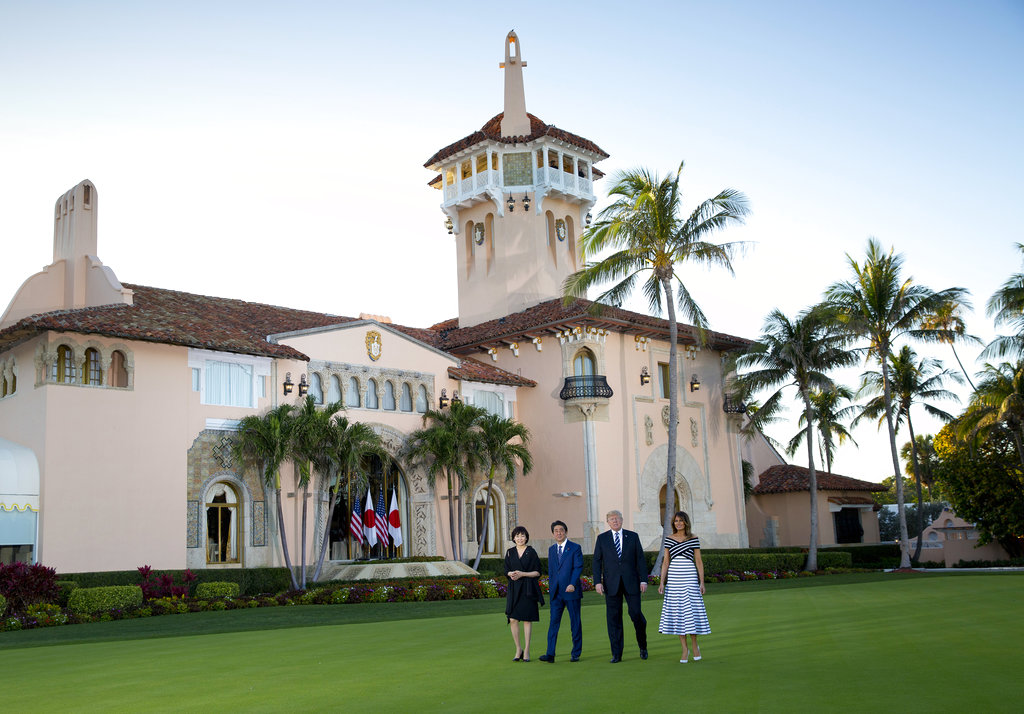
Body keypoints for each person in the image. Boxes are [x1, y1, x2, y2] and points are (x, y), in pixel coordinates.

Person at [593, 509, 648, 663]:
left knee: (636, 614)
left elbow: (640, 560)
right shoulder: (602, 539)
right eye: (611, 519)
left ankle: (643, 646)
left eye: (617, 518)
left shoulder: (632, 536)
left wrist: (643, 580)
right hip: (611, 584)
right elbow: (597, 561)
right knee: (613, 619)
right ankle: (616, 653)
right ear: (608, 522)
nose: (615, 521)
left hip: (632, 583)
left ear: (622, 520)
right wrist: (597, 582)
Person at [658, 510, 710, 663]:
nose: (678, 523)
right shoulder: (669, 539)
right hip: (674, 579)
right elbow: (666, 562)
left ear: (686, 522)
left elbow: (698, 561)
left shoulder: (693, 539)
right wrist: (662, 582)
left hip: (689, 578)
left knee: (691, 612)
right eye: (676, 521)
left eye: (681, 520)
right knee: (679, 614)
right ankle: (684, 649)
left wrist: (702, 582)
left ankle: (695, 645)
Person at [538, 520, 583, 663]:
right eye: (556, 531)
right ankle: (550, 654)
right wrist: (551, 588)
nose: (559, 533)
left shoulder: (575, 548)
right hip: (556, 593)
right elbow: (552, 571)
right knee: (553, 623)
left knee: (575, 622)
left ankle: (576, 653)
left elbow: (578, 568)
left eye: (561, 530)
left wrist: (572, 583)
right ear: (553, 533)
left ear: (566, 532)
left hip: (571, 591)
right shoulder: (551, 549)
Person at [504, 525, 543, 662]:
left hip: (528, 589)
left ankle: (526, 650)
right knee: (513, 619)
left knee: (527, 620)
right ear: (513, 538)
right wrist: (511, 574)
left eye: (522, 536)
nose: (520, 538)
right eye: (517, 536)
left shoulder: (531, 552)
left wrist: (522, 574)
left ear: (526, 537)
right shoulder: (509, 552)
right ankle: (518, 649)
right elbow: (506, 571)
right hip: (514, 589)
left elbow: (537, 572)